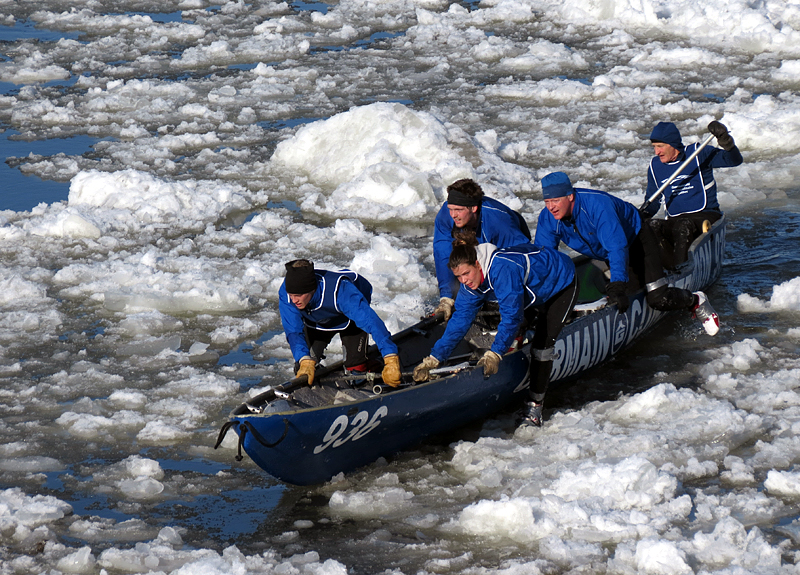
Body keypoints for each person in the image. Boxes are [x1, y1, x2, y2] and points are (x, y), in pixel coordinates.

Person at [413, 232, 578, 428]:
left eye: (466, 274)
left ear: (477, 264)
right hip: (529, 291)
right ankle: (520, 347)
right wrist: (435, 358)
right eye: (458, 277)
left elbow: (511, 317)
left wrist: (495, 353)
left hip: (560, 282)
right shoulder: (470, 286)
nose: (464, 281)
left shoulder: (502, 270)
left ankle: (534, 407)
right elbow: (459, 321)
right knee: (514, 325)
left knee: (542, 348)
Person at [533, 171, 720, 336]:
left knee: (656, 298)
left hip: (636, 240)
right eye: (547, 201)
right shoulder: (548, 218)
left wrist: (617, 285)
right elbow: (544, 259)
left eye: (556, 200)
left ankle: (695, 300)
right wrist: (539, 297)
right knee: (629, 300)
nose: (551, 207)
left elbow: (616, 247)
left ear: (570, 196)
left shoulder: (597, 206)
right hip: (607, 252)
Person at [278, 259, 401, 387]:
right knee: (302, 368)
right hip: (317, 321)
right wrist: (304, 359)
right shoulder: (287, 294)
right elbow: (293, 331)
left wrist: (390, 358)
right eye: (291, 295)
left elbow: (372, 323)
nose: (294, 300)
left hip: (349, 319)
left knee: (356, 373)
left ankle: (372, 365)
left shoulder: (342, 292)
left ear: (311, 289)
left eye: (298, 295)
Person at [643, 121, 743, 268]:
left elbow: (733, 160)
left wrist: (725, 140)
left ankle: (682, 270)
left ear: (673, 145)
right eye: (654, 147)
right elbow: (652, 201)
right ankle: (667, 271)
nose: (657, 152)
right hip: (675, 219)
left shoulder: (698, 153)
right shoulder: (654, 167)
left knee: (683, 226)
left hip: (705, 215)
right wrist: (639, 217)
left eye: (660, 146)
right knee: (652, 226)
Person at [433, 178, 531, 320]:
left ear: (473, 208)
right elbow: (443, 255)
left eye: (459, 210)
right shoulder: (446, 215)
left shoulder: (498, 220)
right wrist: (446, 297)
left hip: (509, 245)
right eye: (451, 209)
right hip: (471, 242)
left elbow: (522, 259)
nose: (453, 215)